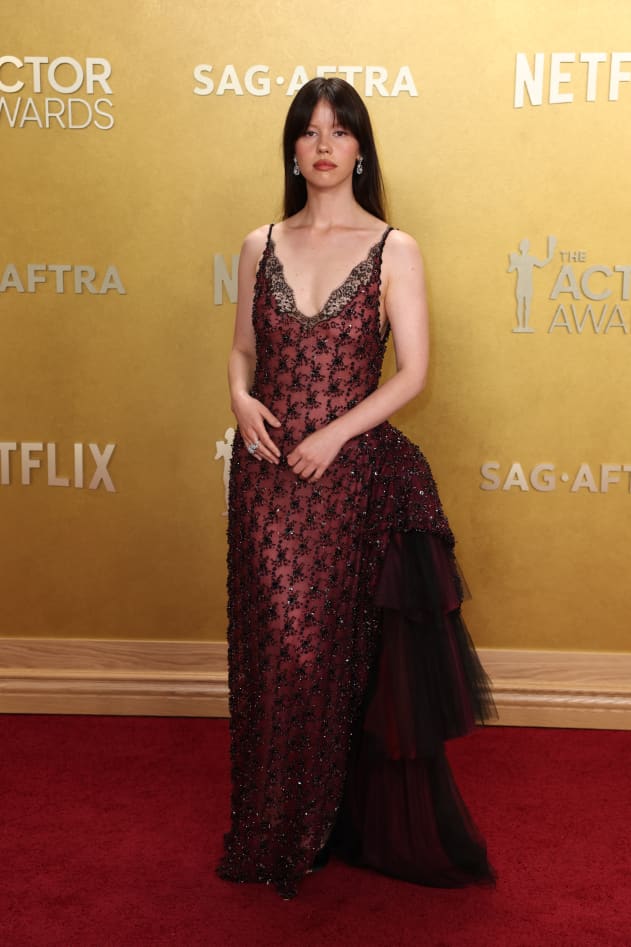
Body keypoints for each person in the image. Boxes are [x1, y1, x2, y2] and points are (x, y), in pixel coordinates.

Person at [217, 77, 496, 900]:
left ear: (360, 149)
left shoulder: (392, 248)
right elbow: (242, 349)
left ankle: (322, 820)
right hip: (266, 478)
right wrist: (238, 397)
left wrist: (336, 433)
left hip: (347, 480)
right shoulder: (259, 243)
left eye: (338, 131)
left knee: (326, 653)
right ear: (292, 150)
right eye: (308, 131)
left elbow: (411, 372)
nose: (323, 145)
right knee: (272, 651)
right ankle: (274, 821)